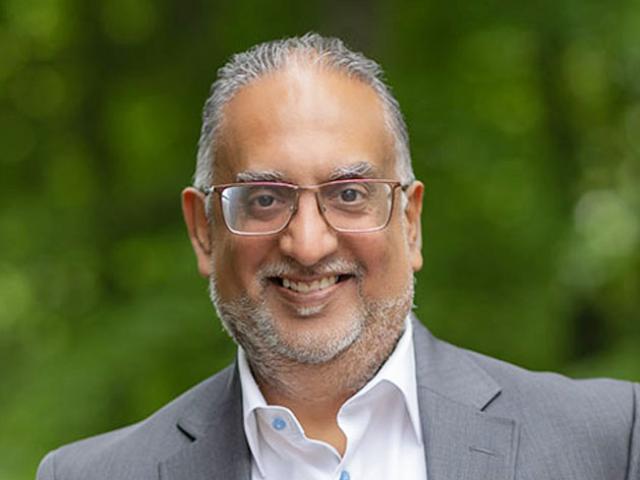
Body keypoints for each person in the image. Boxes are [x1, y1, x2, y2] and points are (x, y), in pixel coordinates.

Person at [37, 33, 638, 480]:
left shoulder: (610, 441)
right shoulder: (90, 476)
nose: (308, 244)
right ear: (203, 231)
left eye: (349, 195)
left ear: (410, 222)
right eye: (265, 199)